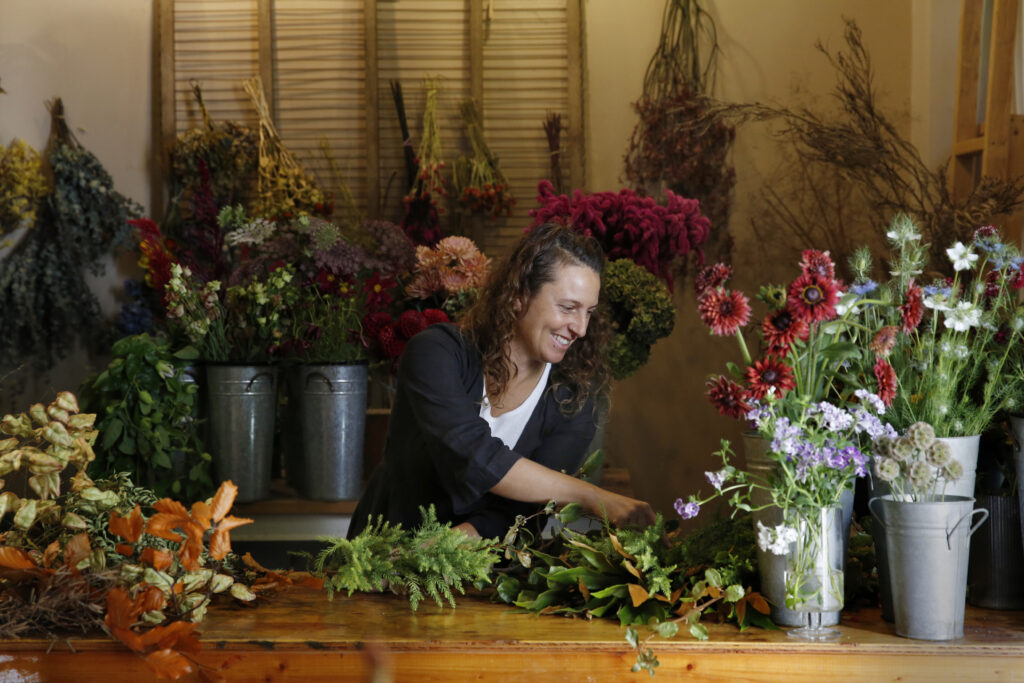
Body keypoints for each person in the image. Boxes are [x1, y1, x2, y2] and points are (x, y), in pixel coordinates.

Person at [348, 223, 656, 540]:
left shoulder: (574, 399)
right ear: (518, 297)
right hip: (380, 558)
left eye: (588, 312)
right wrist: (593, 496)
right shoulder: (437, 353)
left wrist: (447, 549)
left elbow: (525, 514)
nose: (580, 328)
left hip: (478, 572)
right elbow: (474, 456)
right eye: (568, 308)